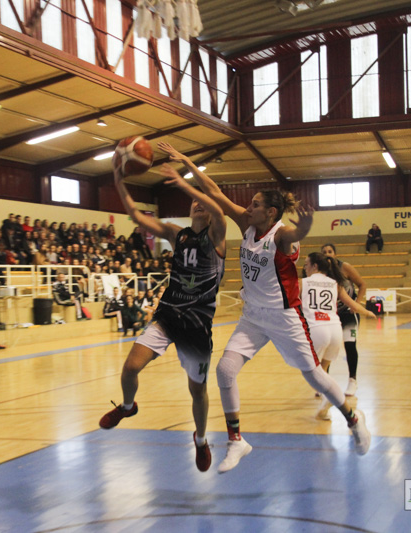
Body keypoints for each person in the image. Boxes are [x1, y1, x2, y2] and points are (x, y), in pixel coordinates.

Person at [158, 141, 371, 475]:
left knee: (314, 376)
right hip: (252, 317)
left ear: (270, 212)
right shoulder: (247, 224)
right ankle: (236, 440)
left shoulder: (281, 233)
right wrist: (187, 162)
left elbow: (297, 231)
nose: (248, 206)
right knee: (225, 371)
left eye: (255, 204)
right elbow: (213, 189)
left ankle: (353, 418)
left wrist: (306, 227)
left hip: (285, 317)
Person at [98, 161, 226, 473]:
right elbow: (135, 215)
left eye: (202, 200)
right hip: (168, 316)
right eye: (192, 201)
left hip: (197, 326)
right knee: (129, 368)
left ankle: (201, 439)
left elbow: (219, 210)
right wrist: (118, 179)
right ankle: (128, 407)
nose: (197, 203)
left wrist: (184, 181)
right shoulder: (175, 234)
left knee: (197, 390)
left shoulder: (218, 234)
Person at [301, 252, 376, 420]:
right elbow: (353, 305)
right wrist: (367, 312)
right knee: (324, 369)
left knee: (312, 371)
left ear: (315, 266)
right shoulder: (335, 284)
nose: (304, 268)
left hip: (316, 328)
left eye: (306, 264)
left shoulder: (303, 283)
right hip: (335, 328)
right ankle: (324, 410)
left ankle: (330, 397)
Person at [321, 243, 367, 397]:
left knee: (350, 345)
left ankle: (352, 380)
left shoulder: (344, 267)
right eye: (324, 252)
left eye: (330, 251)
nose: (327, 254)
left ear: (335, 254)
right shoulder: (320, 271)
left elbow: (362, 284)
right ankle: (324, 382)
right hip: (329, 314)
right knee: (326, 347)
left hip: (348, 313)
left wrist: (357, 304)